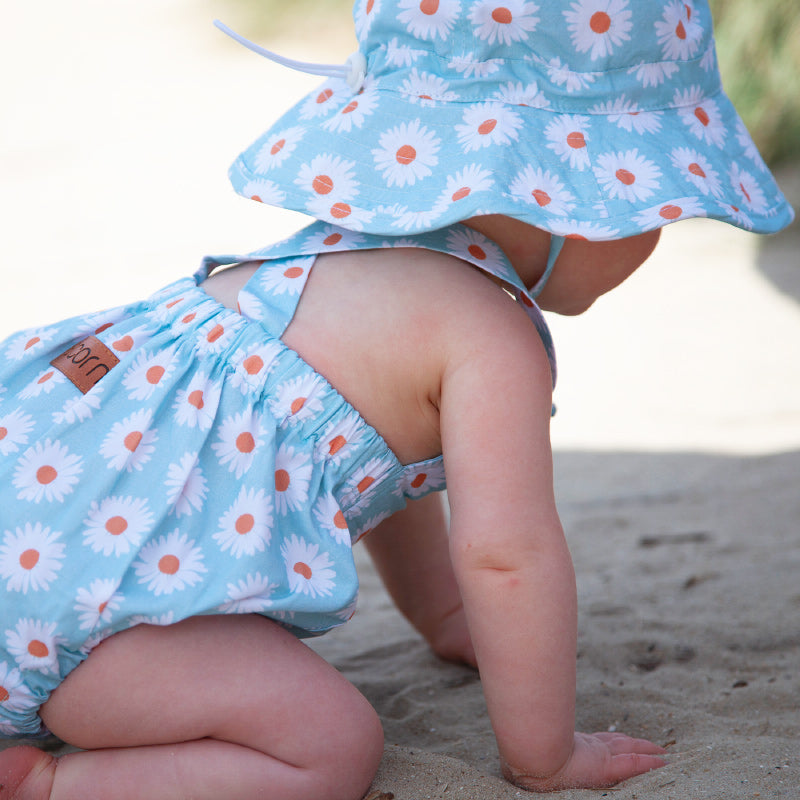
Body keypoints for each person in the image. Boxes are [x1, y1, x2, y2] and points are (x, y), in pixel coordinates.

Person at [0, 1, 793, 798]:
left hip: (38, 534)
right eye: (657, 208)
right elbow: (508, 556)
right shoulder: (490, 338)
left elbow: (375, 464)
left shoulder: (329, 254)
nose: (656, 235)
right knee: (330, 747)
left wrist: (445, 615)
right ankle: (48, 785)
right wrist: (547, 756)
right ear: (577, 204)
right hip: (75, 614)